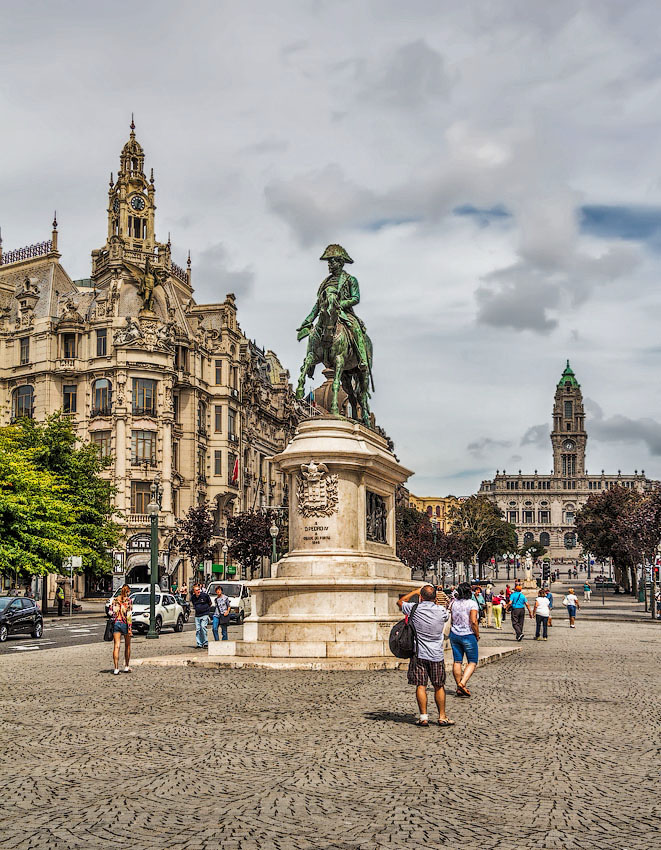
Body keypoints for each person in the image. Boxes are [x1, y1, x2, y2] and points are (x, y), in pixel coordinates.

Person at [397, 584, 454, 728]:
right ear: (435, 598)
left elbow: (400, 601)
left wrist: (414, 592)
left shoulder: (414, 608)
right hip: (436, 654)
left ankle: (423, 717)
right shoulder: (441, 611)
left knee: (421, 685)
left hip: (419, 653)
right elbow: (446, 616)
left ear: (421, 597)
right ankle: (442, 716)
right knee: (439, 686)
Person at [449, 582, 480, 697]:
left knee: (457, 661)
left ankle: (458, 687)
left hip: (454, 634)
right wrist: (477, 634)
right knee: (472, 661)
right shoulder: (472, 604)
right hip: (468, 634)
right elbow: (473, 621)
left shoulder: (453, 603)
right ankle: (462, 684)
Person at [108, 584, 132, 675]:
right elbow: (129, 616)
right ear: (128, 592)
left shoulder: (115, 600)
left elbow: (110, 612)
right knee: (127, 645)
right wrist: (129, 629)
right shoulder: (128, 601)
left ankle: (116, 668)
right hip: (125, 623)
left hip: (116, 623)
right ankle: (126, 666)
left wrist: (116, 614)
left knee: (116, 646)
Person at [191, 584, 212, 648]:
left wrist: (206, 609)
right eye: (196, 590)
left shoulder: (205, 596)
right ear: (194, 591)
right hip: (197, 615)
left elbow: (210, 603)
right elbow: (194, 604)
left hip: (204, 614)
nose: (198, 591)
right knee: (198, 629)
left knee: (203, 627)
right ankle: (199, 643)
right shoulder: (193, 597)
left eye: (199, 590)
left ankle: (205, 642)